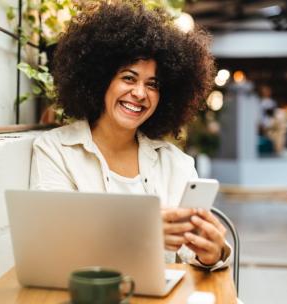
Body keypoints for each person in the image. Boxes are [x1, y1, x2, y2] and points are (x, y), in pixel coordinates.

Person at [30, 0, 230, 269]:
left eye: (152, 84)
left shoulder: (177, 164)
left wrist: (211, 254)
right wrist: (141, 231)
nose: (139, 93)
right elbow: (53, 240)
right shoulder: (56, 151)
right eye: (128, 78)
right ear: (101, 80)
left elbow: (190, 254)